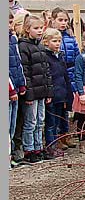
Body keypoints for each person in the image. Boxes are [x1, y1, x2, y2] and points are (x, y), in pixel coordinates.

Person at [19, 15, 53, 164]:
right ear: (28, 29)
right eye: (36, 28)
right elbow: (25, 72)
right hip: (32, 92)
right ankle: (29, 149)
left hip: (42, 91)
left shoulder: (40, 46)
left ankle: (39, 147)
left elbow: (46, 71)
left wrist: (48, 91)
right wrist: (29, 94)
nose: (40, 31)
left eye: (41, 28)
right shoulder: (24, 46)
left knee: (40, 121)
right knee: (30, 122)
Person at [51, 7, 80, 149]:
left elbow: (76, 57)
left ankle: (65, 135)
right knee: (56, 108)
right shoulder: (50, 37)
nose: (63, 23)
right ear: (53, 20)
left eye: (65, 20)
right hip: (56, 75)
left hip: (69, 73)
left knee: (67, 107)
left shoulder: (70, 38)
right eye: (60, 20)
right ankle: (55, 137)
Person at [42, 28, 73, 159]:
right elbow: (47, 77)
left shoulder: (60, 56)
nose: (57, 44)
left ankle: (57, 144)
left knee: (60, 121)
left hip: (62, 94)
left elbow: (65, 76)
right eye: (54, 41)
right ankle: (50, 147)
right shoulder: (45, 57)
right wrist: (49, 93)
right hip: (52, 95)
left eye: (59, 41)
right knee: (51, 124)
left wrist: (68, 94)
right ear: (46, 42)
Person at [9, 10, 27, 168]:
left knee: (15, 124)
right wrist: (12, 89)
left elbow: (18, 66)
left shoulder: (12, 40)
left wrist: (21, 84)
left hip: (16, 87)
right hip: (10, 90)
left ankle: (14, 152)